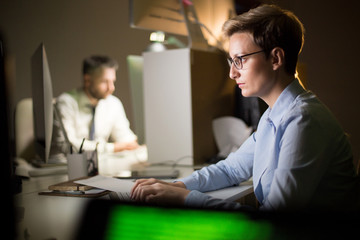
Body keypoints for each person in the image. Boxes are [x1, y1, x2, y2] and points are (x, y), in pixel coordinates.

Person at [130, 4, 359, 211]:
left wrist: (184, 199)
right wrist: (177, 185)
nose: (232, 73)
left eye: (240, 59)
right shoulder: (274, 114)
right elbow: (231, 169)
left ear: (276, 58)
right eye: (232, 61)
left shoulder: (303, 120)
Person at [54, 55, 139, 155]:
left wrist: (135, 144)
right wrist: (112, 148)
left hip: (103, 166)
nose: (111, 88)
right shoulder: (66, 102)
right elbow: (68, 145)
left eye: (113, 81)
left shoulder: (113, 103)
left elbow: (126, 139)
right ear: (88, 81)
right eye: (104, 82)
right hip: (70, 166)